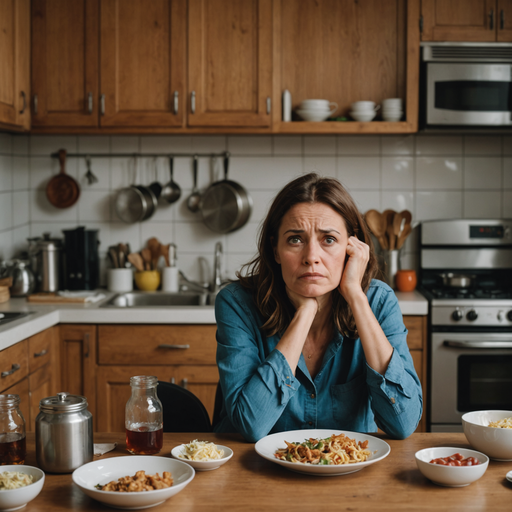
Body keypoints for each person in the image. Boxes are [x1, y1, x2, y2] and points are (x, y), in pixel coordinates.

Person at [214, 173, 422, 442]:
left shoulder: (378, 302)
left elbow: (403, 424)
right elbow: (251, 424)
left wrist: (356, 298)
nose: (311, 257)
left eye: (329, 240)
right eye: (295, 239)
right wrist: (305, 313)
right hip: (253, 471)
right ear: (275, 250)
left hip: (348, 471)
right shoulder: (237, 303)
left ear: (352, 248)